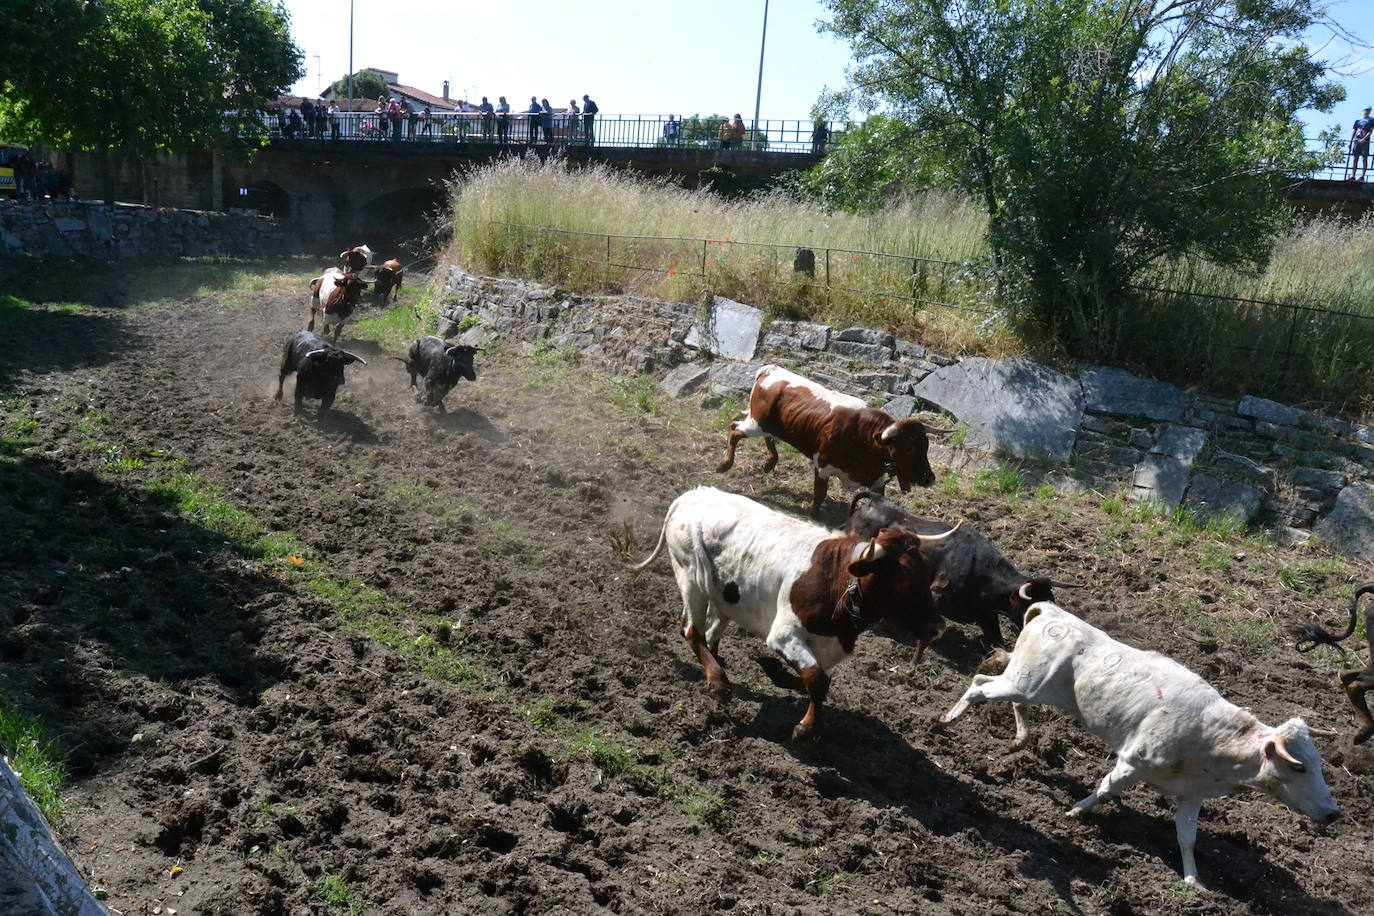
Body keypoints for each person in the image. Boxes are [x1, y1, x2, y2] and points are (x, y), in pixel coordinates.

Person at [1349, 107, 1373, 181]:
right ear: (1363, 111)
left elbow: (1370, 131)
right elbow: (1354, 131)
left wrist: (1364, 138)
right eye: (1366, 110)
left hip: (1365, 141)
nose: (1367, 112)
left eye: (1369, 110)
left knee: (1364, 158)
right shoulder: (1358, 121)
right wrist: (1350, 141)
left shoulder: (1371, 120)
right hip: (1357, 140)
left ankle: (1362, 176)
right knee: (1355, 159)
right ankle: (1353, 176)